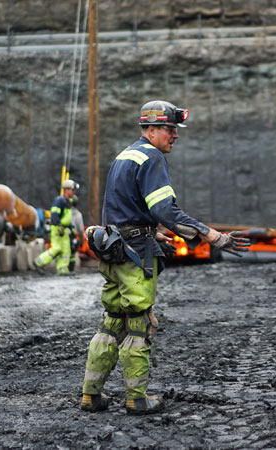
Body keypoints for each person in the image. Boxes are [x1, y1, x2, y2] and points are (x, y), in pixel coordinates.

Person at [80, 100, 250, 415]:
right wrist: (210, 235)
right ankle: (137, 399)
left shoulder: (125, 154)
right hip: (134, 257)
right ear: (154, 129)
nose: (175, 136)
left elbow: (121, 207)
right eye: (171, 129)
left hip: (113, 249)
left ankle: (91, 395)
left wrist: (150, 232)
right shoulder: (152, 157)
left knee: (110, 324)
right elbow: (164, 209)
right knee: (138, 325)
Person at [34, 179, 78, 275]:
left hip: (64, 229)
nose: (74, 192)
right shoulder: (60, 201)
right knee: (57, 248)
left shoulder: (67, 202)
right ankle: (39, 262)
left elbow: (66, 217)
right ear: (66, 190)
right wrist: (58, 226)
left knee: (66, 250)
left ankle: (62, 270)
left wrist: (70, 228)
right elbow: (54, 214)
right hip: (57, 229)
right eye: (73, 189)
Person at [68, 195, 84, 272]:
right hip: (72, 236)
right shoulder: (78, 214)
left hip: (63, 235)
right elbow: (80, 230)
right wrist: (81, 240)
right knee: (72, 252)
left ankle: (64, 268)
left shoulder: (64, 212)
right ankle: (71, 268)